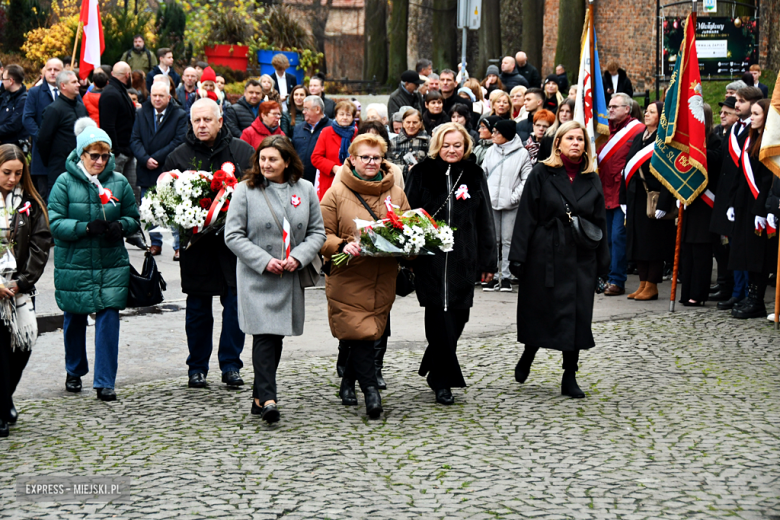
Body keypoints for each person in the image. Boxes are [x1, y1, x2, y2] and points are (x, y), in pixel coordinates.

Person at [225, 135, 325, 423]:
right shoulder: (245, 190)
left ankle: (259, 395)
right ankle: (269, 398)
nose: (266, 164)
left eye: (273, 159)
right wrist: (264, 261)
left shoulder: (305, 189)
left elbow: (317, 232)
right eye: (262, 159)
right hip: (257, 276)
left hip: (288, 274)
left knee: (275, 336)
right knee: (265, 334)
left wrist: (299, 256)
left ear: (287, 162)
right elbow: (233, 235)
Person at [509, 120, 609, 398]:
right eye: (570, 139)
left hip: (580, 256)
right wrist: (518, 257)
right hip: (545, 253)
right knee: (540, 310)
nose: (576, 143)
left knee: (576, 316)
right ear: (558, 143)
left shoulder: (592, 177)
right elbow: (526, 216)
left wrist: (604, 265)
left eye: (580, 139)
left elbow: (600, 223)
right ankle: (529, 352)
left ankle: (569, 375)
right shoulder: (542, 172)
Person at [163, 99, 255, 389]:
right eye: (196, 121)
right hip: (197, 247)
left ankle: (230, 365)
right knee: (198, 310)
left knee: (235, 307)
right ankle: (197, 368)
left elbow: (256, 194)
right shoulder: (178, 157)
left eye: (207, 120)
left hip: (234, 247)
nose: (201, 125)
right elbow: (167, 204)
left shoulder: (242, 152)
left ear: (219, 120)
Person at [48, 118, 141, 402]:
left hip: (110, 261)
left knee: (109, 318)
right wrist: (84, 228)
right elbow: (54, 223)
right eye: (94, 155)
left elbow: (133, 218)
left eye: (105, 156)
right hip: (74, 262)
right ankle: (74, 370)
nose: (100, 161)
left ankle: (105, 381)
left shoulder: (119, 182)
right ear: (81, 154)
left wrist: (121, 226)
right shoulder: (64, 182)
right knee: (74, 318)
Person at [405, 122, 496, 405]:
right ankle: (443, 382)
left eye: (457, 145)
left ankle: (433, 362)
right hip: (430, 259)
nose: (452, 150)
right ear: (437, 146)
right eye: (446, 145)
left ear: (466, 146)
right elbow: (408, 212)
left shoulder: (474, 173)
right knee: (437, 316)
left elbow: (485, 218)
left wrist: (488, 259)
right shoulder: (421, 173)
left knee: (459, 316)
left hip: (463, 257)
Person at [320, 133, 411, 418]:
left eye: (377, 157)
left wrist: (409, 243)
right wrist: (342, 244)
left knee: (368, 333)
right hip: (348, 273)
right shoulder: (335, 192)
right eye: (365, 157)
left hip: (382, 275)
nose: (371, 162)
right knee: (360, 333)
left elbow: (408, 226)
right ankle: (371, 392)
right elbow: (320, 235)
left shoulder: (395, 192)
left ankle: (348, 381)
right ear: (352, 159)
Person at [0, 145, 51, 438]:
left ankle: (4, 399)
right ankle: (2, 408)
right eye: (7, 172)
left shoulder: (29, 200)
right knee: (1, 353)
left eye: (18, 173)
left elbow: (40, 244)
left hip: (19, 288)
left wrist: (23, 281)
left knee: (23, 347)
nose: (12, 179)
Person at [710, 86, 762, 309]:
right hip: (728, 195)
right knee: (732, 247)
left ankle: (748, 294)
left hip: (746, 196)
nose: (736, 104)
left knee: (744, 249)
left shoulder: (756, 130)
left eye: (741, 101)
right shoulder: (734, 129)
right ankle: (736, 290)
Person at [620, 101, 674, 302]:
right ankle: (642, 283)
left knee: (653, 243)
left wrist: (664, 203)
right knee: (638, 243)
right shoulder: (638, 137)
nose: (647, 114)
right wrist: (623, 197)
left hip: (654, 197)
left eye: (652, 112)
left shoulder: (664, 140)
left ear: (661, 116)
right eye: (647, 111)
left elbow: (669, 174)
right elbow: (627, 168)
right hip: (636, 197)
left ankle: (652, 285)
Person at [727, 98, 775, 319]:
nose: (751, 118)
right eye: (752, 114)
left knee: (759, 255)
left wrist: (762, 210)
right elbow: (740, 173)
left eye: (756, 114)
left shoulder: (771, 142)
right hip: (745, 204)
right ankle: (750, 295)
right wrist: (733, 202)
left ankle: (757, 300)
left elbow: (768, 180)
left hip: (759, 206)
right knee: (745, 251)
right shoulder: (750, 138)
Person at [130, 81, 187, 258]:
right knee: (149, 209)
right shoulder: (141, 113)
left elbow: (178, 141)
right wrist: (145, 159)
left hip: (167, 168)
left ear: (169, 97)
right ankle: (155, 243)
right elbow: (135, 139)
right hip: (146, 168)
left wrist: (157, 158)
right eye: (154, 95)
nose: (157, 99)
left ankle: (178, 245)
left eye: (161, 96)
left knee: (172, 208)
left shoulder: (179, 115)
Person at [598, 92, 644, 296]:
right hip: (602, 191)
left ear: (627, 109)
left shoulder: (637, 130)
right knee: (605, 237)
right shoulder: (602, 130)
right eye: (609, 106)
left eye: (615, 107)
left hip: (622, 194)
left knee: (618, 237)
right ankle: (606, 276)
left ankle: (617, 279)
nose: (610, 110)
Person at [482, 119, 532, 292]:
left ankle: (506, 277)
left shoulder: (521, 154)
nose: (493, 135)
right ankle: (494, 275)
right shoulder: (490, 152)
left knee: (507, 240)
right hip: (491, 202)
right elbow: (483, 174)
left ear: (507, 135)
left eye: (497, 132)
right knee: (493, 239)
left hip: (511, 203)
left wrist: (514, 197)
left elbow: (527, 178)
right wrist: (485, 195)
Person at [680, 103, 721, 306]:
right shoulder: (686, 141)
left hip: (705, 202)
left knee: (701, 250)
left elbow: (715, 160)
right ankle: (686, 290)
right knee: (687, 250)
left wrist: (697, 149)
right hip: (688, 200)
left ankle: (698, 293)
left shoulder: (714, 140)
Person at [37, 70, 88, 192]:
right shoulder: (53, 110)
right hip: (60, 168)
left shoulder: (81, 107)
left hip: (82, 167)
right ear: (63, 86)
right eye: (74, 82)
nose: (78, 85)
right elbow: (43, 140)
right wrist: (52, 160)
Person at [22, 58, 64, 200]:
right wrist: (41, 137)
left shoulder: (69, 92)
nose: (52, 73)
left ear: (62, 72)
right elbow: (27, 118)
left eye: (56, 70)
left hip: (64, 154)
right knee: (44, 196)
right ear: (44, 71)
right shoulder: (35, 92)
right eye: (49, 69)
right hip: (42, 154)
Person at [312, 100, 357, 200]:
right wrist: (333, 168)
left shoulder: (357, 134)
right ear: (336, 116)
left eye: (348, 114)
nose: (344, 117)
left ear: (353, 117)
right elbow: (316, 157)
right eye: (341, 114)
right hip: (330, 181)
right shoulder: (326, 132)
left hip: (352, 182)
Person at [292, 96, 331, 185]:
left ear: (317, 109)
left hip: (322, 181)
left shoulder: (332, 128)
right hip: (300, 180)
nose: (303, 112)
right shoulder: (298, 128)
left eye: (306, 109)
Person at [388, 108, 430, 180]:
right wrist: (405, 169)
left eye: (415, 122)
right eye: (408, 122)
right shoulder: (393, 143)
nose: (411, 126)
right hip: (399, 182)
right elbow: (388, 165)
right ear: (403, 124)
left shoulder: (428, 141)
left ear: (420, 124)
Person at [538, 98, 575, 163]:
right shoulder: (549, 133)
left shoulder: (578, 134)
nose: (564, 114)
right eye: (561, 111)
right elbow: (541, 158)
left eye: (568, 111)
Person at [0, 65, 28, 146]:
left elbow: (14, 125)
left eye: (3, 79)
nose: (2, 82)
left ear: (11, 81)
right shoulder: (5, 96)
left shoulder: (23, 100)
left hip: (13, 147)